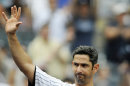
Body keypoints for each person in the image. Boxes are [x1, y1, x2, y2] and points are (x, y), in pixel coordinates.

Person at [1, 6, 99, 86]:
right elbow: (26, 65)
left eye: (84, 65)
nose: (79, 70)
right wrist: (12, 35)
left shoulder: (55, 43)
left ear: (95, 68)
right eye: (76, 65)